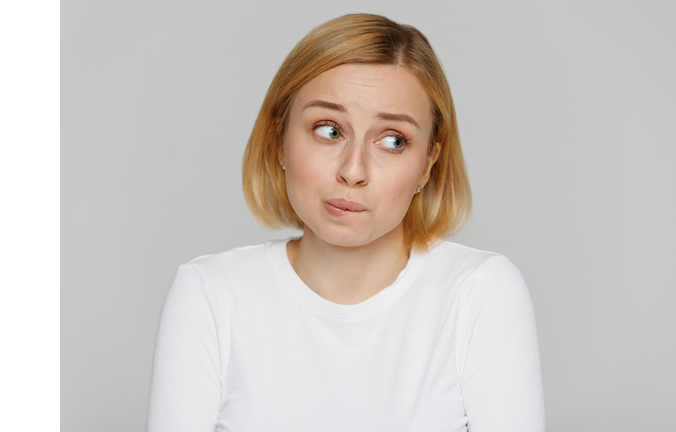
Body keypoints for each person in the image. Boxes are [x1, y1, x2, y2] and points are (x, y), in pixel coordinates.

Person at [147, 13, 545, 432]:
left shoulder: (480, 293)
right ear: (278, 137)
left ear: (428, 163)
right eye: (329, 130)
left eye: (393, 140)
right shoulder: (210, 295)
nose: (353, 170)